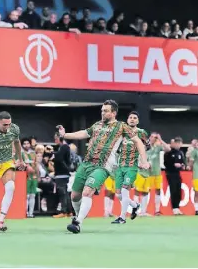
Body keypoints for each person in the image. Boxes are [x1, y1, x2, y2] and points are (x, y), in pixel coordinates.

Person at [56, 100, 148, 234]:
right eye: (102, 111)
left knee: (88, 191)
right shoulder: (97, 125)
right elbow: (83, 133)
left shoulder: (121, 126)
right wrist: (65, 135)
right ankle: (78, 216)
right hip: (86, 163)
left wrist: (144, 161)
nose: (102, 113)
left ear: (113, 113)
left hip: (103, 165)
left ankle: (78, 223)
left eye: (106, 111)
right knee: (75, 196)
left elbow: (138, 142)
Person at [110, 112, 150, 225]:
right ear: (127, 120)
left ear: (137, 121)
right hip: (120, 166)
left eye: (135, 118)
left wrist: (142, 160)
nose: (132, 119)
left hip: (131, 166)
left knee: (124, 190)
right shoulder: (122, 133)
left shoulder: (141, 133)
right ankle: (135, 205)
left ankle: (122, 218)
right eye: (130, 118)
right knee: (118, 194)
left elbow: (147, 146)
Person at [134, 132, 169, 217]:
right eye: (152, 136)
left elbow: (168, 149)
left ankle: (156, 211)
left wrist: (160, 140)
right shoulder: (144, 147)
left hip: (156, 173)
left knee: (157, 191)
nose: (153, 138)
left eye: (155, 137)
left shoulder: (157, 147)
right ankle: (136, 211)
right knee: (140, 191)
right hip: (146, 173)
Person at [164, 137, 185, 215]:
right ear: (174, 143)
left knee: (178, 191)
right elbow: (166, 163)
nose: (178, 145)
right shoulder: (169, 152)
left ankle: (177, 207)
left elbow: (183, 162)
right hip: (170, 173)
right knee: (173, 190)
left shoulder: (180, 153)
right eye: (177, 143)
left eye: (180, 144)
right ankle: (174, 208)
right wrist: (173, 164)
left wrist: (182, 165)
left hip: (177, 173)